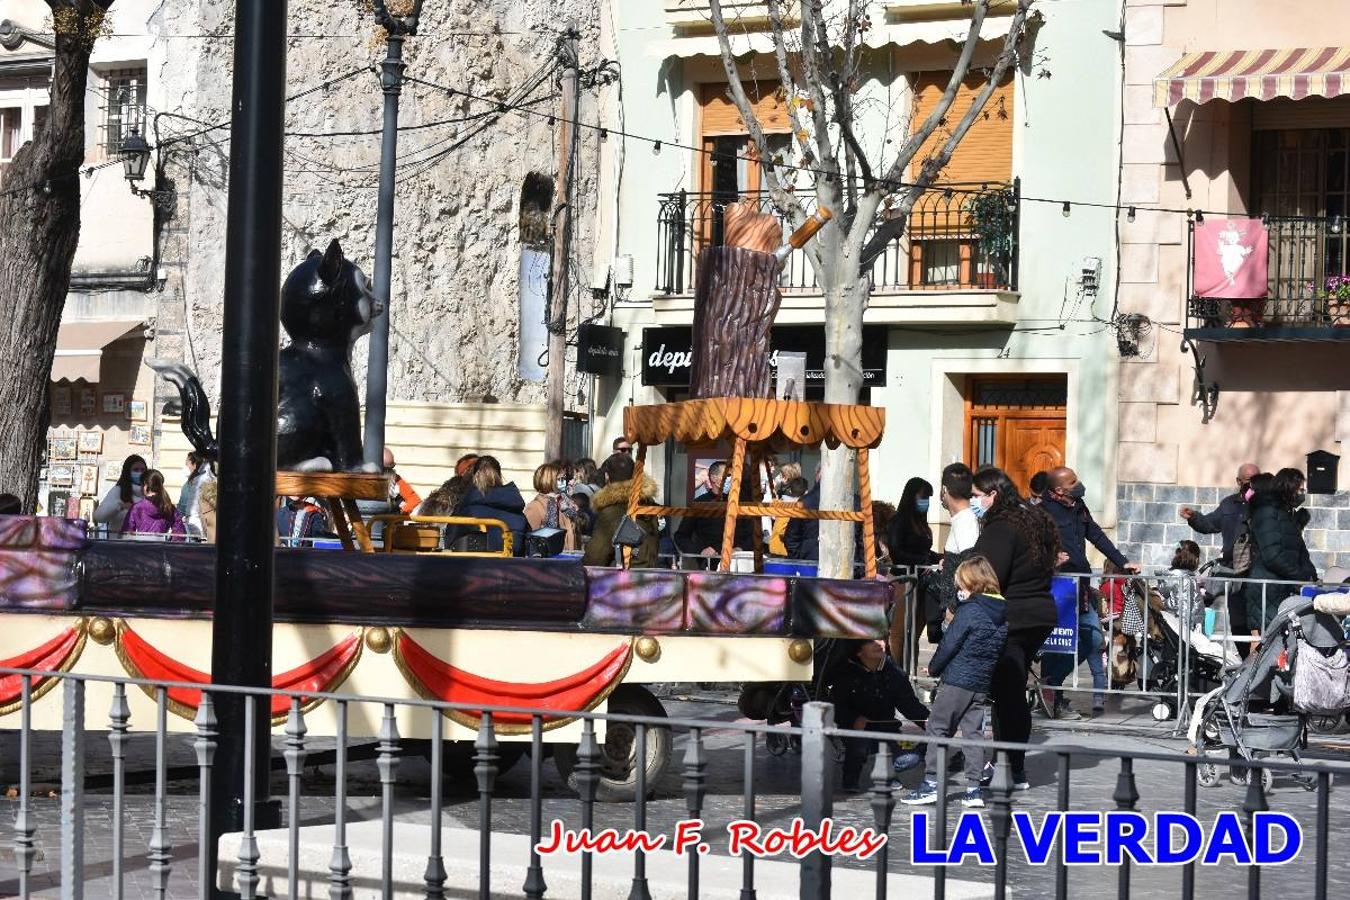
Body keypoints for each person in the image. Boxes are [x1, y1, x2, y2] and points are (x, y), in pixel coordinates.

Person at [971, 466, 1060, 789]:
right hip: (1038, 614)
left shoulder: (1002, 527)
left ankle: (1009, 766)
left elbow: (988, 573)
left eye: (977, 495)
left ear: (993, 495)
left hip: (1012, 616)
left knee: (1006, 694)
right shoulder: (1033, 519)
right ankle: (1011, 764)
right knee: (1011, 690)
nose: (974, 501)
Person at [901, 556, 1008, 809]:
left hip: (958, 680)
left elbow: (950, 644)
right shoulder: (1002, 612)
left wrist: (935, 667)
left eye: (961, 584)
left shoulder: (970, 610)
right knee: (973, 733)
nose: (959, 589)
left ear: (971, 582)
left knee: (938, 728)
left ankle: (930, 784)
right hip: (981, 682)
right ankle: (974, 790)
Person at [829, 639, 931, 792]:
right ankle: (851, 779)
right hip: (858, 732)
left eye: (882, 639)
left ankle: (886, 775)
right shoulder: (845, 673)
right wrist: (853, 719)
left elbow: (908, 704)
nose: (881, 643)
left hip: (887, 732)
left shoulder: (894, 673)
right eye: (872, 641)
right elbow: (838, 706)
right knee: (859, 748)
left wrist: (926, 720)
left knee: (911, 758)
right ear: (859, 651)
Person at [1245, 467, 1317, 635]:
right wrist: (1301, 575)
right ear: (1288, 488)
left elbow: (1298, 549)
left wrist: (1310, 573)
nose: (1302, 494)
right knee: (1262, 647)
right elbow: (1272, 555)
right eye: (1300, 489)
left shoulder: (1285, 514)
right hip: (1268, 590)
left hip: (1282, 587)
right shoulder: (1267, 512)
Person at [1040, 466, 1135, 575]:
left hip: (1082, 575)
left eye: (1076, 479)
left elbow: (1097, 536)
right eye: (1073, 482)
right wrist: (1050, 560)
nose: (1078, 484)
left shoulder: (1079, 506)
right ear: (1059, 490)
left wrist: (1123, 562)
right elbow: (1031, 545)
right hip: (1059, 578)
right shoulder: (1043, 512)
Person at [583, 452, 660, 568]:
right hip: (648, 576)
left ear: (607, 477)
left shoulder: (611, 512)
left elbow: (595, 559)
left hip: (622, 580)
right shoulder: (647, 504)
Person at [445, 456, 528, 555]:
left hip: (472, 567)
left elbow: (449, 543)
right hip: (511, 567)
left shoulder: (465, 510)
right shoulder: (516, 510)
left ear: (474, 476)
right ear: (500, 475)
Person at [1181, 462, 1260, 566]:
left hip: (1258, 567)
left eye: (1257, 479)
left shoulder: (1267, 504)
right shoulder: (1228, 504)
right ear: (1239, 481)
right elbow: (1209, 524)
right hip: (1231, 565)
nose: (1253, 484)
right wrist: (1193, 517)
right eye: (1249, 480)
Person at [674, 461, 752, 560]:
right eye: (728, 475)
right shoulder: (700, 504)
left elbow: (752, 534)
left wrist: (740, 548)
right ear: (714, 478)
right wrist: (700, 551)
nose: (732, 479)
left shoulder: (741, 502)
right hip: (710, 564)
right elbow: (681, 536)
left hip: (738, 563)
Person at [524, 460, 578, 551]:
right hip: (545, 561)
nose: (563, 482)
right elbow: (529, 538)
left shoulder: (565, 503)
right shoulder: (535, 507)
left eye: (564, 479)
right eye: (560, 479)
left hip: (568, 559)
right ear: (549, 480)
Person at [886, 477, 939, 569]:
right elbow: (896, 553)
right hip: (904, 576)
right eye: (924, 497)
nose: (926, 501)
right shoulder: (898, 521)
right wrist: (922, 560)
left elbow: (924, 552)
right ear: (911, 496)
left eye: (928, 498)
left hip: (921, 573)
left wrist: (940, 558)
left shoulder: (920, 523)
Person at [121, 470, 186, 540]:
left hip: (140, 549)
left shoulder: (136, 508)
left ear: (145, 485)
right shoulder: (169, 507)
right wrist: (170, 545)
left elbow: (126, 535)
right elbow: (179, 533)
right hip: (162, 549)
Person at [94, 455, 148, 535]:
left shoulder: (151, 493)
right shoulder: (118, 491)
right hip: (120, 544)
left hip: (144, 544)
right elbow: (99, 517)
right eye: (136, 470)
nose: (140, 473)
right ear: (127, 472)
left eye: (143, 470)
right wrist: (119, 506)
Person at [178, 451, 216, 538]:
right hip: (201, 524)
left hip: (196, 524)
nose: (185, 466)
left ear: (195, 464)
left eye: (187, 463)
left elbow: (184, 506)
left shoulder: (196, 481)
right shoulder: (207, 478)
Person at [769, 476, 809, 557]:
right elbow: (783, 532)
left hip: (775, 549)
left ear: (790, 490)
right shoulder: (794, 508)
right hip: (783, 552)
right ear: (806, 492)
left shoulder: (781, 504)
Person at [382, 447, 421, 515]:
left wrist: (401, 512)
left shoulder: (396, 479)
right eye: (385, 470)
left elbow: (414, 499)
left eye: (389, 470)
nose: (388, 473)